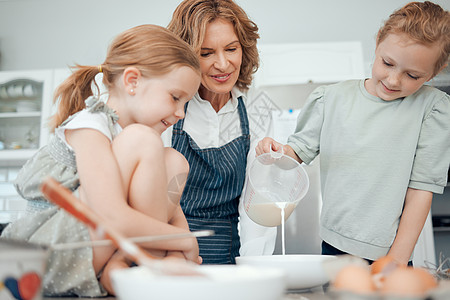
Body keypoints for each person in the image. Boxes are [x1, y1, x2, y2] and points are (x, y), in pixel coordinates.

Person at [1, 24, 201, 297]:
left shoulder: (141, 139)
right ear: (132, 81)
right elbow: (110, 216)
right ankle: (134, 266)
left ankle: (125, 266)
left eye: (185, 104)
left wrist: (181, 246)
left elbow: (172, 212)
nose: (180, 113)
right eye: (175, 98)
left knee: (176, 160)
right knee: (144, 140)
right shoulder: (90, 125)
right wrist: (180, 242)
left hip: (100, 246)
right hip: (51, 251)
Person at [256, 1, 450, 265]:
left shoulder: (432, 110)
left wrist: (395, 261)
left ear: (433, 73)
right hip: (334, 244)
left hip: (392, 252)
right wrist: (276, 152)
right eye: (387, 63)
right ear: (378, 43)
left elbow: (420, 191)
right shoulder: (331, 99)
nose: (394, 80)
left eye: (413, 75)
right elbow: (296, 154)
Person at [163, 0, 277, 264]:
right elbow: (151, 201)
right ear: (186, 56)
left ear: (244, 49)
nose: (223, 64)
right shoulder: (168, 108)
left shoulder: (257, 109)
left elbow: (256, 205)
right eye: (206, 53)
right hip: (169, 255)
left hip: (230, 258)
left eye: (231, 49)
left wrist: (254, 268)